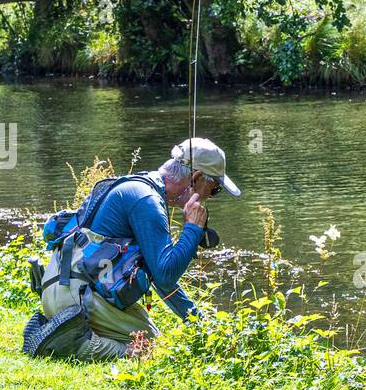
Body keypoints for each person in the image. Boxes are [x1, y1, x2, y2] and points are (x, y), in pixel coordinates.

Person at [27, 137, 241, 359]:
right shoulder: (147, 200)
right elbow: (166, 275)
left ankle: (59, 331)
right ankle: (69, 344)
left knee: (154, 340)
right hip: (77, 299)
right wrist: (192, 230)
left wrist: (197, 322)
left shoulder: (141, 189)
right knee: (152, 350)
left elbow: (160, 278)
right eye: (214, 189)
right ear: (196, 178)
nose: (210, 197)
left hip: (63, 291)